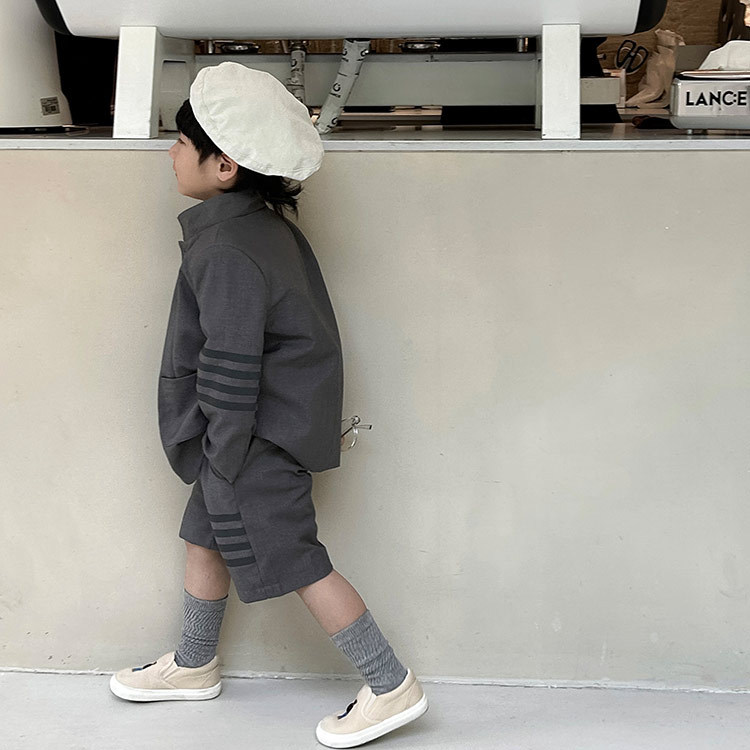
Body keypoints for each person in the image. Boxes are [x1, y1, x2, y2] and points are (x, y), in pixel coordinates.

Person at [107, 62, 428, 748]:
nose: (170, 152)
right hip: (252, 434)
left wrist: (223, 452)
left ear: (224, 167)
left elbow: (231, 364)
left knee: (298, 558)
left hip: (250, 440)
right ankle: (195, 663)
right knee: (203, 536)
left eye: (181, 142)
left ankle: (390, 683)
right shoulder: (259, 229)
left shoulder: (228, 250)